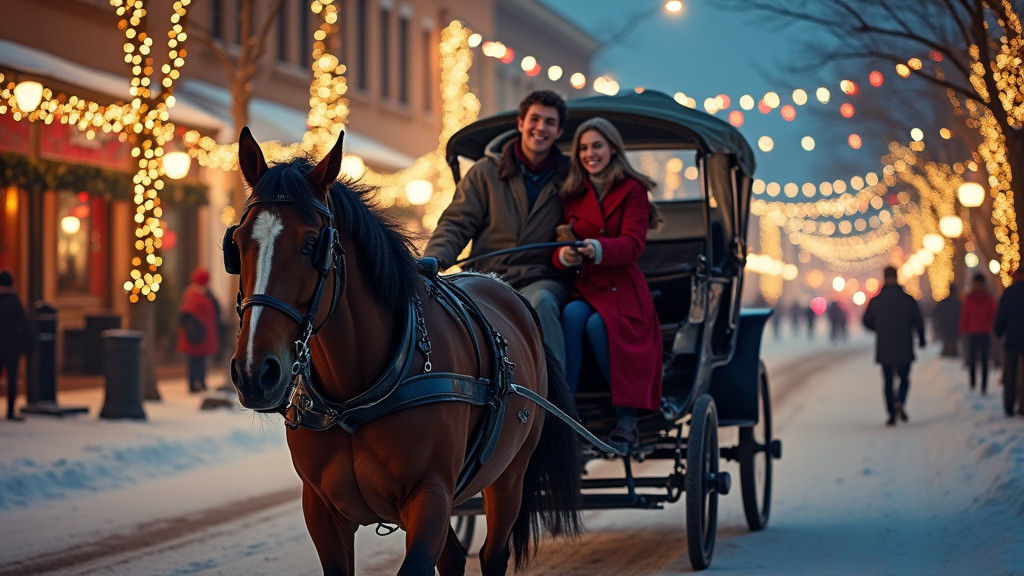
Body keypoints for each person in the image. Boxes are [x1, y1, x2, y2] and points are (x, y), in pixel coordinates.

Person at [424, 90, 572, 368]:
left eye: (549, 122)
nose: (540, 128)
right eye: (535, 119)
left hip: (540, 277)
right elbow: (457, 222)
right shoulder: (485, 173)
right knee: (452, 313)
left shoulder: (569, 176)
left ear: (559, 130)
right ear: (520, 123)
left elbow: (581, 222)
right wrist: (434, 259)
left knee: (542, 303)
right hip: (488, 275)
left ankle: (554, 396)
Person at [553, 117, 663, 452]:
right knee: (571, 315)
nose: (590, 154)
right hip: (588, 285)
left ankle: (626, 419)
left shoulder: (633, 191)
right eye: (583, 148)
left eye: (597, 145)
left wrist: (598, 249)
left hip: (622, 288)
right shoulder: (573, 194)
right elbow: (558, 242)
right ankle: (566, 414)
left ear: (612, 147)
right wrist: (566, 257)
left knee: (603, 325)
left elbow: (632, 245)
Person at [862, 266, 926, 426]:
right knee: (904, 378)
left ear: (884, 277)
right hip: (904, 344)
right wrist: (921, 338)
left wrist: (879, 328)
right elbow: (918, 320)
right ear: (897, 277)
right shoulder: (908, 299)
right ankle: (900, 400)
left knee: (888, 381)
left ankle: (891, 413)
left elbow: (866, 321)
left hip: (885, 346)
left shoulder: (876, 300)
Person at [177, 268, 221, 393]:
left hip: (202, 334)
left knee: (199, 361)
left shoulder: (202, 293)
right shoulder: (195, 294)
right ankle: (195, 383)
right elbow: (190, 314)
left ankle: (199, 382)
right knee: (195, 361)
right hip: (197, 335)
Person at [0, 270, 31, 421]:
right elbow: (24, 324)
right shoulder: (14, 301)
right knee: (12, 379)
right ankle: (10, 412)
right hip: (12, 346)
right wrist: (27, 345)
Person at [959, 273, 997, 394]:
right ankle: (983, 387)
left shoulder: (969, 298)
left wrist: (963, 329)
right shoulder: (989, 299)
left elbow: (965, 315)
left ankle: (973, 384)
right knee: (985, 361)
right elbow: (994, 315)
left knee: (972, 359)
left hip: (972, 333)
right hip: (985, 332)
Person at [994, 267, 1024, 416]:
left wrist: (998, 331)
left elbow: (1001, 315)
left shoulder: (1009, 292)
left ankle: (1009, 406)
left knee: (1010, 375)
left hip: (1011, 340)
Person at [933, 282, 962, 357]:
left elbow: (937, 314)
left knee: (946, 338)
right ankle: (953, 351)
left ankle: (947, 351)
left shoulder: (943, 302)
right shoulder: (958, 303)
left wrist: (938, 325)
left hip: (945, 325)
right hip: (955, 326)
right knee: (953, 339)